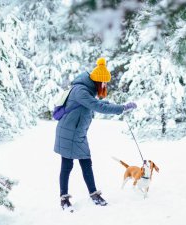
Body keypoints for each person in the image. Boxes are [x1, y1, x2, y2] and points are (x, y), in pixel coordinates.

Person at [54, 57, 137, 210]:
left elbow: (98, 104)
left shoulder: (86, 90)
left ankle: (92, 194)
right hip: (69, 132)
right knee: (68, 164)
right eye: (104, 83)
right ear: (98, 81)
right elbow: (97, 106)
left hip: (76, 132)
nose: (105, 86)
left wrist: (119, 107)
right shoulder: (81, 91)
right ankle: (64, 198)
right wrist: (122, 108)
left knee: (84, 162)